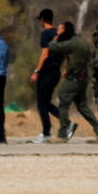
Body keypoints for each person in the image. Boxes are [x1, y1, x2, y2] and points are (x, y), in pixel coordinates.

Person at [47, 21, 98, 143]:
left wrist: (57, 36)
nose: (58, 31)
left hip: (73, 80)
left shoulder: (71, 43)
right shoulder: (83, 42)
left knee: (63, 104)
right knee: (83, 107)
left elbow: (52, 46)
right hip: (82, 79)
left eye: (60, 29)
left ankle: (62, 135)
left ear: (65, 30)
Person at [29, 8, 64, 143]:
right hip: (56, 72)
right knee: (46, 103)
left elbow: (44, 54)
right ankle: (66, 122)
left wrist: (36, 71)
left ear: (42, 19)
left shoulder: (45, 34)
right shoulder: (59, 33)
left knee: (41, 104)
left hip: (47, 72)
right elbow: (64, 53)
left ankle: (46, 133)